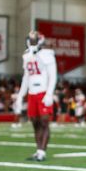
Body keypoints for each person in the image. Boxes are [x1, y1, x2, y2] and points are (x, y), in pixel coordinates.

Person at [14, 30, 57, 161]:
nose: (31, 43)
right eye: (30, 40)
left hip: (43, 91)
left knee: (44, 122)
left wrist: (49, 93)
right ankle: (38, 150)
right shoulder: (27, 55)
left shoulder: (47, 54)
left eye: (34, 40)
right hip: (32, 93)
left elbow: (52, 75)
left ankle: (43, 152)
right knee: (35, 123)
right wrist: (20, 95)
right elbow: (26, 77)